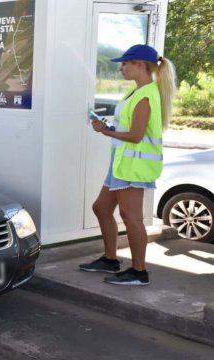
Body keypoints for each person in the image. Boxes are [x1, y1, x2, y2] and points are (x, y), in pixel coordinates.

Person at [79, 44, 176, 286]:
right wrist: (108, 128)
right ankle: (111, 260)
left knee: (131, 218)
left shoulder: (146, 95)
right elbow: (129, 131)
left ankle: (139, 272)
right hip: (122, 165)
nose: (121, 68)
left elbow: (135, 135)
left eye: (125, 63)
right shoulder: (136, 92)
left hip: (134, 168)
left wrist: (108, 134)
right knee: (101, 208)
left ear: (140, 65)